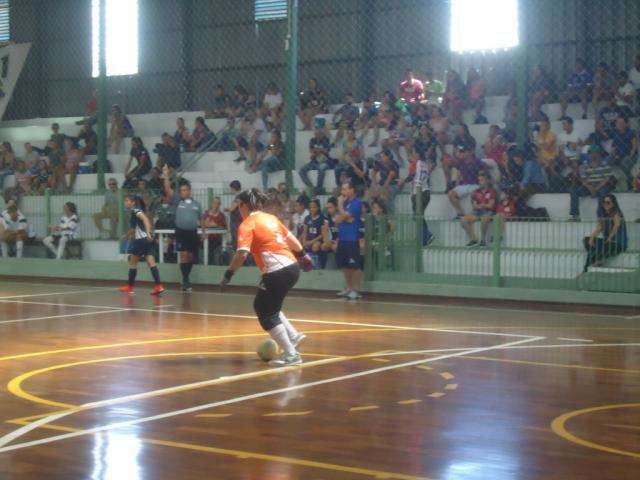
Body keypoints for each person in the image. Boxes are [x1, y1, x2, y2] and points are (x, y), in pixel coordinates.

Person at [219, 188, 312, 367]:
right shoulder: (271, 218)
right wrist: (303, 255)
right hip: (292, 267)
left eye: (239, 205)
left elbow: (241, 255)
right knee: (270, 305)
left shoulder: (247, 224)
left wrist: (228, 275)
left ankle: (292, 355)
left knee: (264, 310)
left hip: (277, 271)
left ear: (244, 205)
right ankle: (293, 336)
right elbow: (293, 240)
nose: (238, 209)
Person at [162, 165, 205, 292]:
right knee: (184, 255)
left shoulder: (197, 205)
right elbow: (167, 188)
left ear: (190, 191)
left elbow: (201, 219)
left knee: (191, 257)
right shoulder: (177, 200)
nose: (184, 192)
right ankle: (185, 280)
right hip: (181, 232)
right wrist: (165, 174)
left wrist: (202, 232)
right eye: (182, 190)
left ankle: (186, 278)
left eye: (186, 190)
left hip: (192, 233)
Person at [119, 195, 165, 295]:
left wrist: (148, 232)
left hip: (141, 240)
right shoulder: (133, 212)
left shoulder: (136, 211)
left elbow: (145, 219)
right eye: (125, 200)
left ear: (133, 203)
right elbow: (133, 229)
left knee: (133, 263)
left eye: (127, 200)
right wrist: (127, 235)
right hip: (147, 241)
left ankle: (129, 287)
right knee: (151, 263)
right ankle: (158, 286)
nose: (125, 202)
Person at [583, 194, 627, 272]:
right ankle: (598, 260)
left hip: (618, 243)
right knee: (586, 240)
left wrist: (610, 237)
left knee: (598, 248)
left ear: (613, 203)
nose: (605, 204)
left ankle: (586, 269)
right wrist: (592, 238)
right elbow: (599, 228)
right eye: (604, 202)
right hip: (607, 242)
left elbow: (616, 226)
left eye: (608, 202)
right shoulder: (603, 214)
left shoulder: (617, 213)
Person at [570, 145, 615, 221]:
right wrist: (591, 189)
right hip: (589, 186)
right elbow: (584, 180)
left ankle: (601, 216)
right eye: (591, 153)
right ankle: (575, 216)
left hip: (601, 186)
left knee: (603, 193)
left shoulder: (605, 164)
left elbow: (606, 180)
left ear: (599, 154)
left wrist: (596, 188)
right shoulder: (585, 166)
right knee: (573, 190)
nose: (593, 155)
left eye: (595, 153)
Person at [335, 181, 363, 300]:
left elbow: (347, 217)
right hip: (342, 238)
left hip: (352, 239)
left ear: (352, 190)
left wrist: (340, 206)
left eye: (345, 189)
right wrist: (344, 216)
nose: (343, 192)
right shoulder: (346, 204)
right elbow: (338, 220)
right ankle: (348, 288)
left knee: (355, 266)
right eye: (342, 190)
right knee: (345, 265)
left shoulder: (357, 203)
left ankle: (356, 290)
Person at [447, 143, 484, 219]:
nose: (461, 153)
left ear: (470, 152)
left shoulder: (478, 162)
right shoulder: (461, 162)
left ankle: (476, 214)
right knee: (451, 194)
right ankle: (460, 213)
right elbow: (458, 174)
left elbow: (483, 175)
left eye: (463, 151)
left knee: (475, 195)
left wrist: (481, 186)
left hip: (475, 185)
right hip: (464, 185)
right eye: (461, 152)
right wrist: (457, 186)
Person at [299, 127, 333, 194]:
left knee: (321, 168)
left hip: (324, 161)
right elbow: (311, 151)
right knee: (302, 170)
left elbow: (326, 151)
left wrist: (316, 150)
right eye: (316, 133)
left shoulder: (326, 140)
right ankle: (311, 186)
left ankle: (318, 189)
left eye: (319, 133)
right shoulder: (312, 140)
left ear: (322, 133)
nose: (317, 135)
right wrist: (320, 151)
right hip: (314, 162)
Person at [610, 116, 638, 188]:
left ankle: (630, 182)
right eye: (618, 123)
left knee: (624, 163)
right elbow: (613, 147)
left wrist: (631, 155)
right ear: (616, 125)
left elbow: (634, 146)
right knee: (606, 161)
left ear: (626, 124)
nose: (620, 125)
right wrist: (614, 154)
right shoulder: (616, 134)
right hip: (619, 155)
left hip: (631, 155)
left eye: (622, 123)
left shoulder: (630, 132)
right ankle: (611, 183)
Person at [301, 199, 328, 266]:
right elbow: (304, 232)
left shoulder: (322, 218)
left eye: (314, 207)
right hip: (308, 239)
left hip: (318, 239)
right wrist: (304, 241)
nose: (312, 209)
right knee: (301, 246)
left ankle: (317, 264)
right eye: (310, 207)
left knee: (315, 246)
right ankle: (306, 263)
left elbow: (322, 234)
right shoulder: (307, 218)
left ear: (318, 208)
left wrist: (311, 242)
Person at [202, 196, 227, 265]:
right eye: (214, 203)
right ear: (211, 204)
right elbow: (202, 224)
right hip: (206, 240)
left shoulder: (221, 216)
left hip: (217, 241)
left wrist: (215, 225)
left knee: (217, 259)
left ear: (219, 205)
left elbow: (225, 228)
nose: (216, 205)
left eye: (218, 203)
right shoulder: (206, 214)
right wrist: (208, 224)